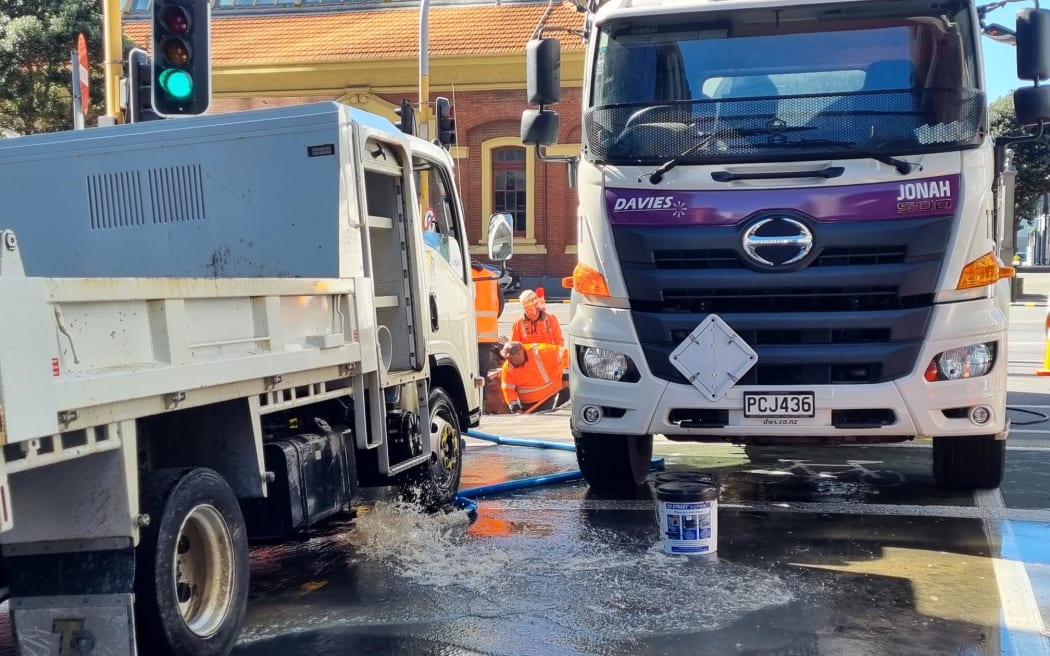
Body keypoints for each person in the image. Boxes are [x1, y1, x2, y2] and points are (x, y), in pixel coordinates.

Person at [499, 341, 570, 414]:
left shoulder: (539, 352)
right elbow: (508, 390)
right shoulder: (508, 368)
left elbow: (566, 353)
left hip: (552, 393)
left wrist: (566, 377)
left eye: (511, 359)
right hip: (529, 404)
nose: (509, 361)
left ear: (519, 354)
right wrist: (516, 409)